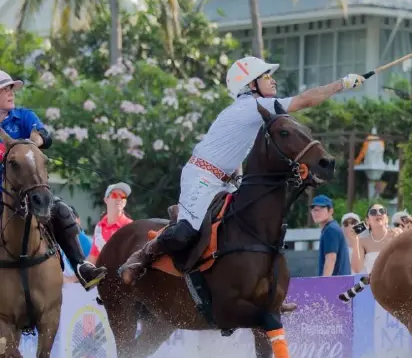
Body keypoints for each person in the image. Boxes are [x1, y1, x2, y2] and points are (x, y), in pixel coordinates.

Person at [118, 56, 366, 282]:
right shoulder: (250, 107)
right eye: (266, 76)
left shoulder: (256, 113)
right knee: (186, 231)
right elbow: (304, 100)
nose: (273, 80)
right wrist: (341, 84)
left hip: (226, 179)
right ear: (250, 85)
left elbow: (238, 152)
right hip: (202, 176)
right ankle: (142, 256)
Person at [0, 70, 106, 289]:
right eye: (4, 90)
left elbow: (43, 136)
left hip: (30, 190)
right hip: (2, 195)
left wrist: (28, 144)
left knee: (61, 211)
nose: (10, 94)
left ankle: (81, 267)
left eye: (11, 89)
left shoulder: (24, 116)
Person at [88, 182, 134, 264]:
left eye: (123, 196)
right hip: (102, 274)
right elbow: (93, 257)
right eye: (115, 195)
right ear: (106, 200)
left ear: (125, 202)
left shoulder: (129, 226)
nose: (119, 199)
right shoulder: (99, 226)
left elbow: (128, 259)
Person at [350, 204, 400, 274]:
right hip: (372, 283)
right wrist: (355, 240)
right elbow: (357, 269)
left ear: (387, 219)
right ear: (367, 220)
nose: (378, 214)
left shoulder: (397, 236)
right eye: (373, 212)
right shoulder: (362, 242)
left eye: (382, 211)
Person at [309, 195, 351, 277]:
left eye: (320, 209)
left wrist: (324, 284)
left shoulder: (330, 230)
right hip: (341, 283)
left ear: (331, 211)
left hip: (335, 285)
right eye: (313, 209)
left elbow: (331, 258)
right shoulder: (332, 228)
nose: (315, 212)